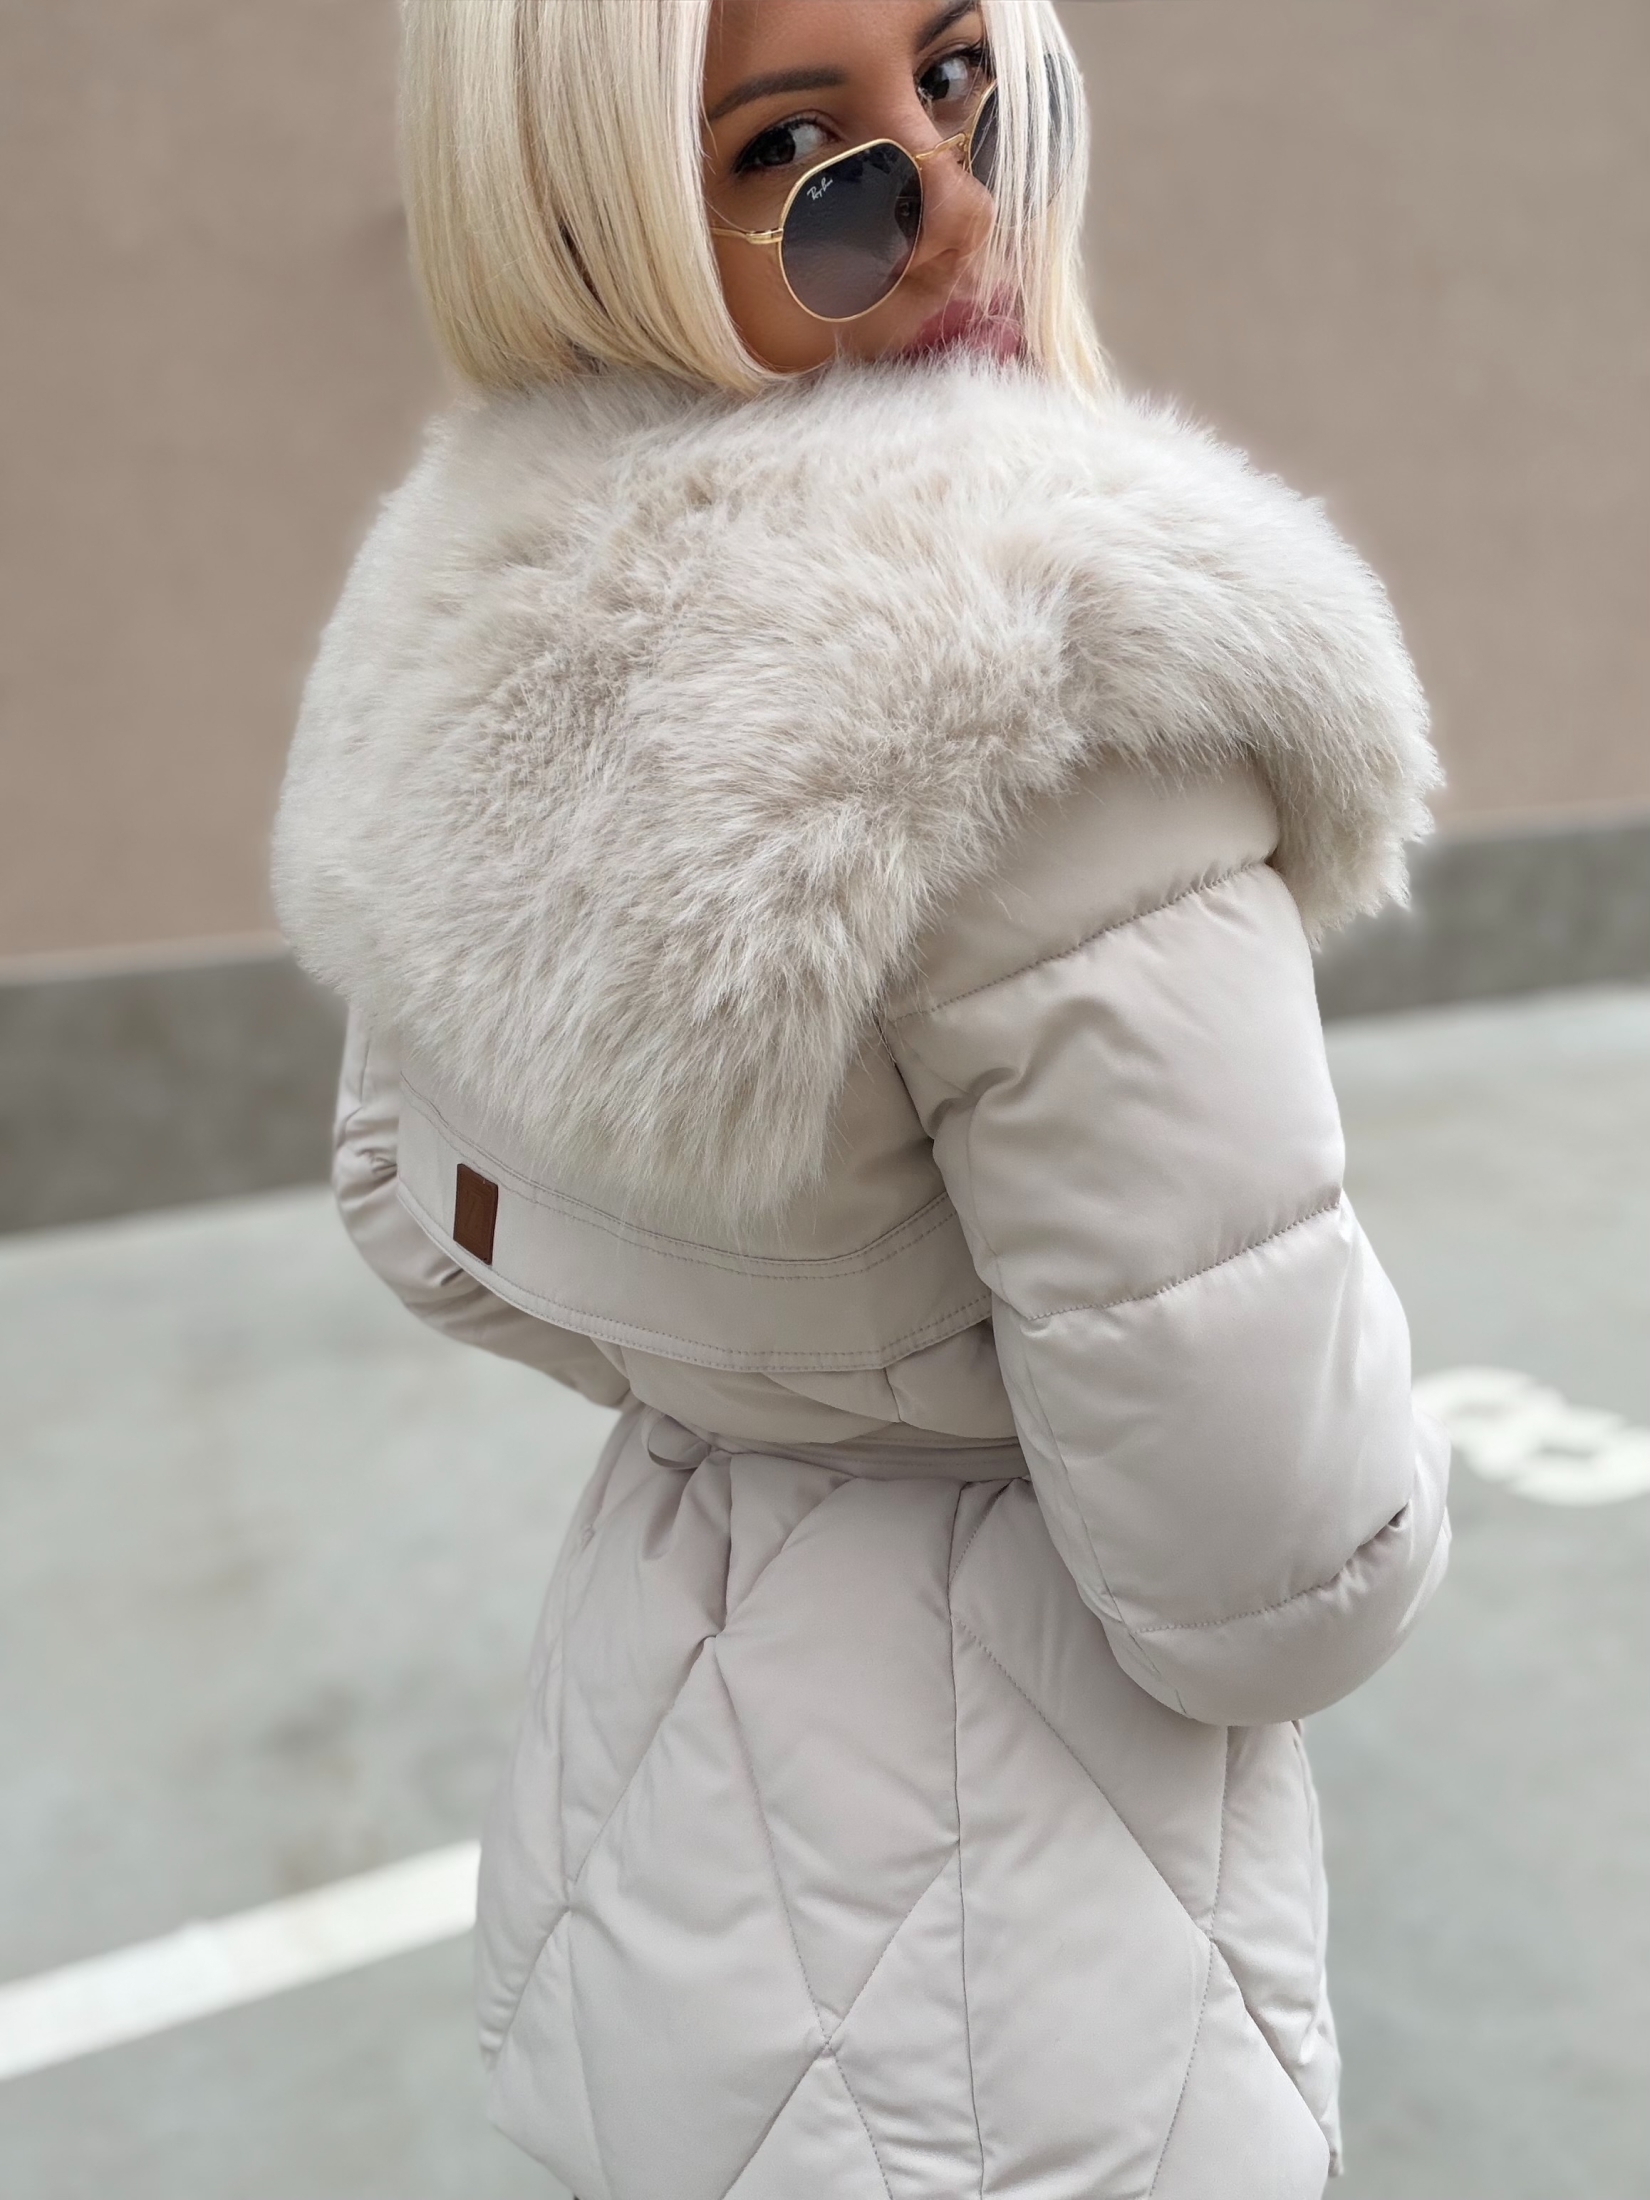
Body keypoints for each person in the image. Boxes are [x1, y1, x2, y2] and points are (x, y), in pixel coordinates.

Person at [273, 3, 1451, 2193]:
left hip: (645, 1841)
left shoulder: (487, 612)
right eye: (804, 163)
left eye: (964, 80)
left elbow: (417, 1212)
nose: (960, 208)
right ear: (597, 221)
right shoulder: (1076, 695)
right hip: (1038, 1993)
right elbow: (1282, 1562)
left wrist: (782, 1353)